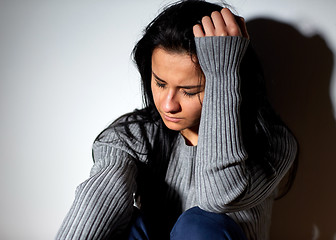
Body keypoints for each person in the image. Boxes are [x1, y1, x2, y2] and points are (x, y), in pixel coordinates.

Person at [56, 0, 298, 239]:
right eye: (160, 83)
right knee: (123, 220)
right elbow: (101, 198)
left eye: (189, 91)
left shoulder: (271, 142)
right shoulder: (135, 134)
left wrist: (222, 72)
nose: (168, 105)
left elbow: (220, 197)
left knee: (198, 225)